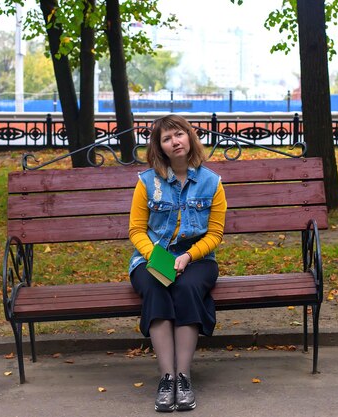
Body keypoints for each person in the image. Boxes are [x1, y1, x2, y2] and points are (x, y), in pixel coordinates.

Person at [128, 114, 227, 412]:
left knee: (186, 288)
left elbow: (216, 234)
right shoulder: (147, 183)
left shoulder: (212, 182)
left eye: (179, 134)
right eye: (167, 138)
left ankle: (183, 378)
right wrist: (157, 258)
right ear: (160, 147)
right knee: (156, 288)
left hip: (197, 257)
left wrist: (187, 256)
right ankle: (166, 379)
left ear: (190, 137)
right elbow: (136, 230)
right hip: (152, 255)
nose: (175, 141)